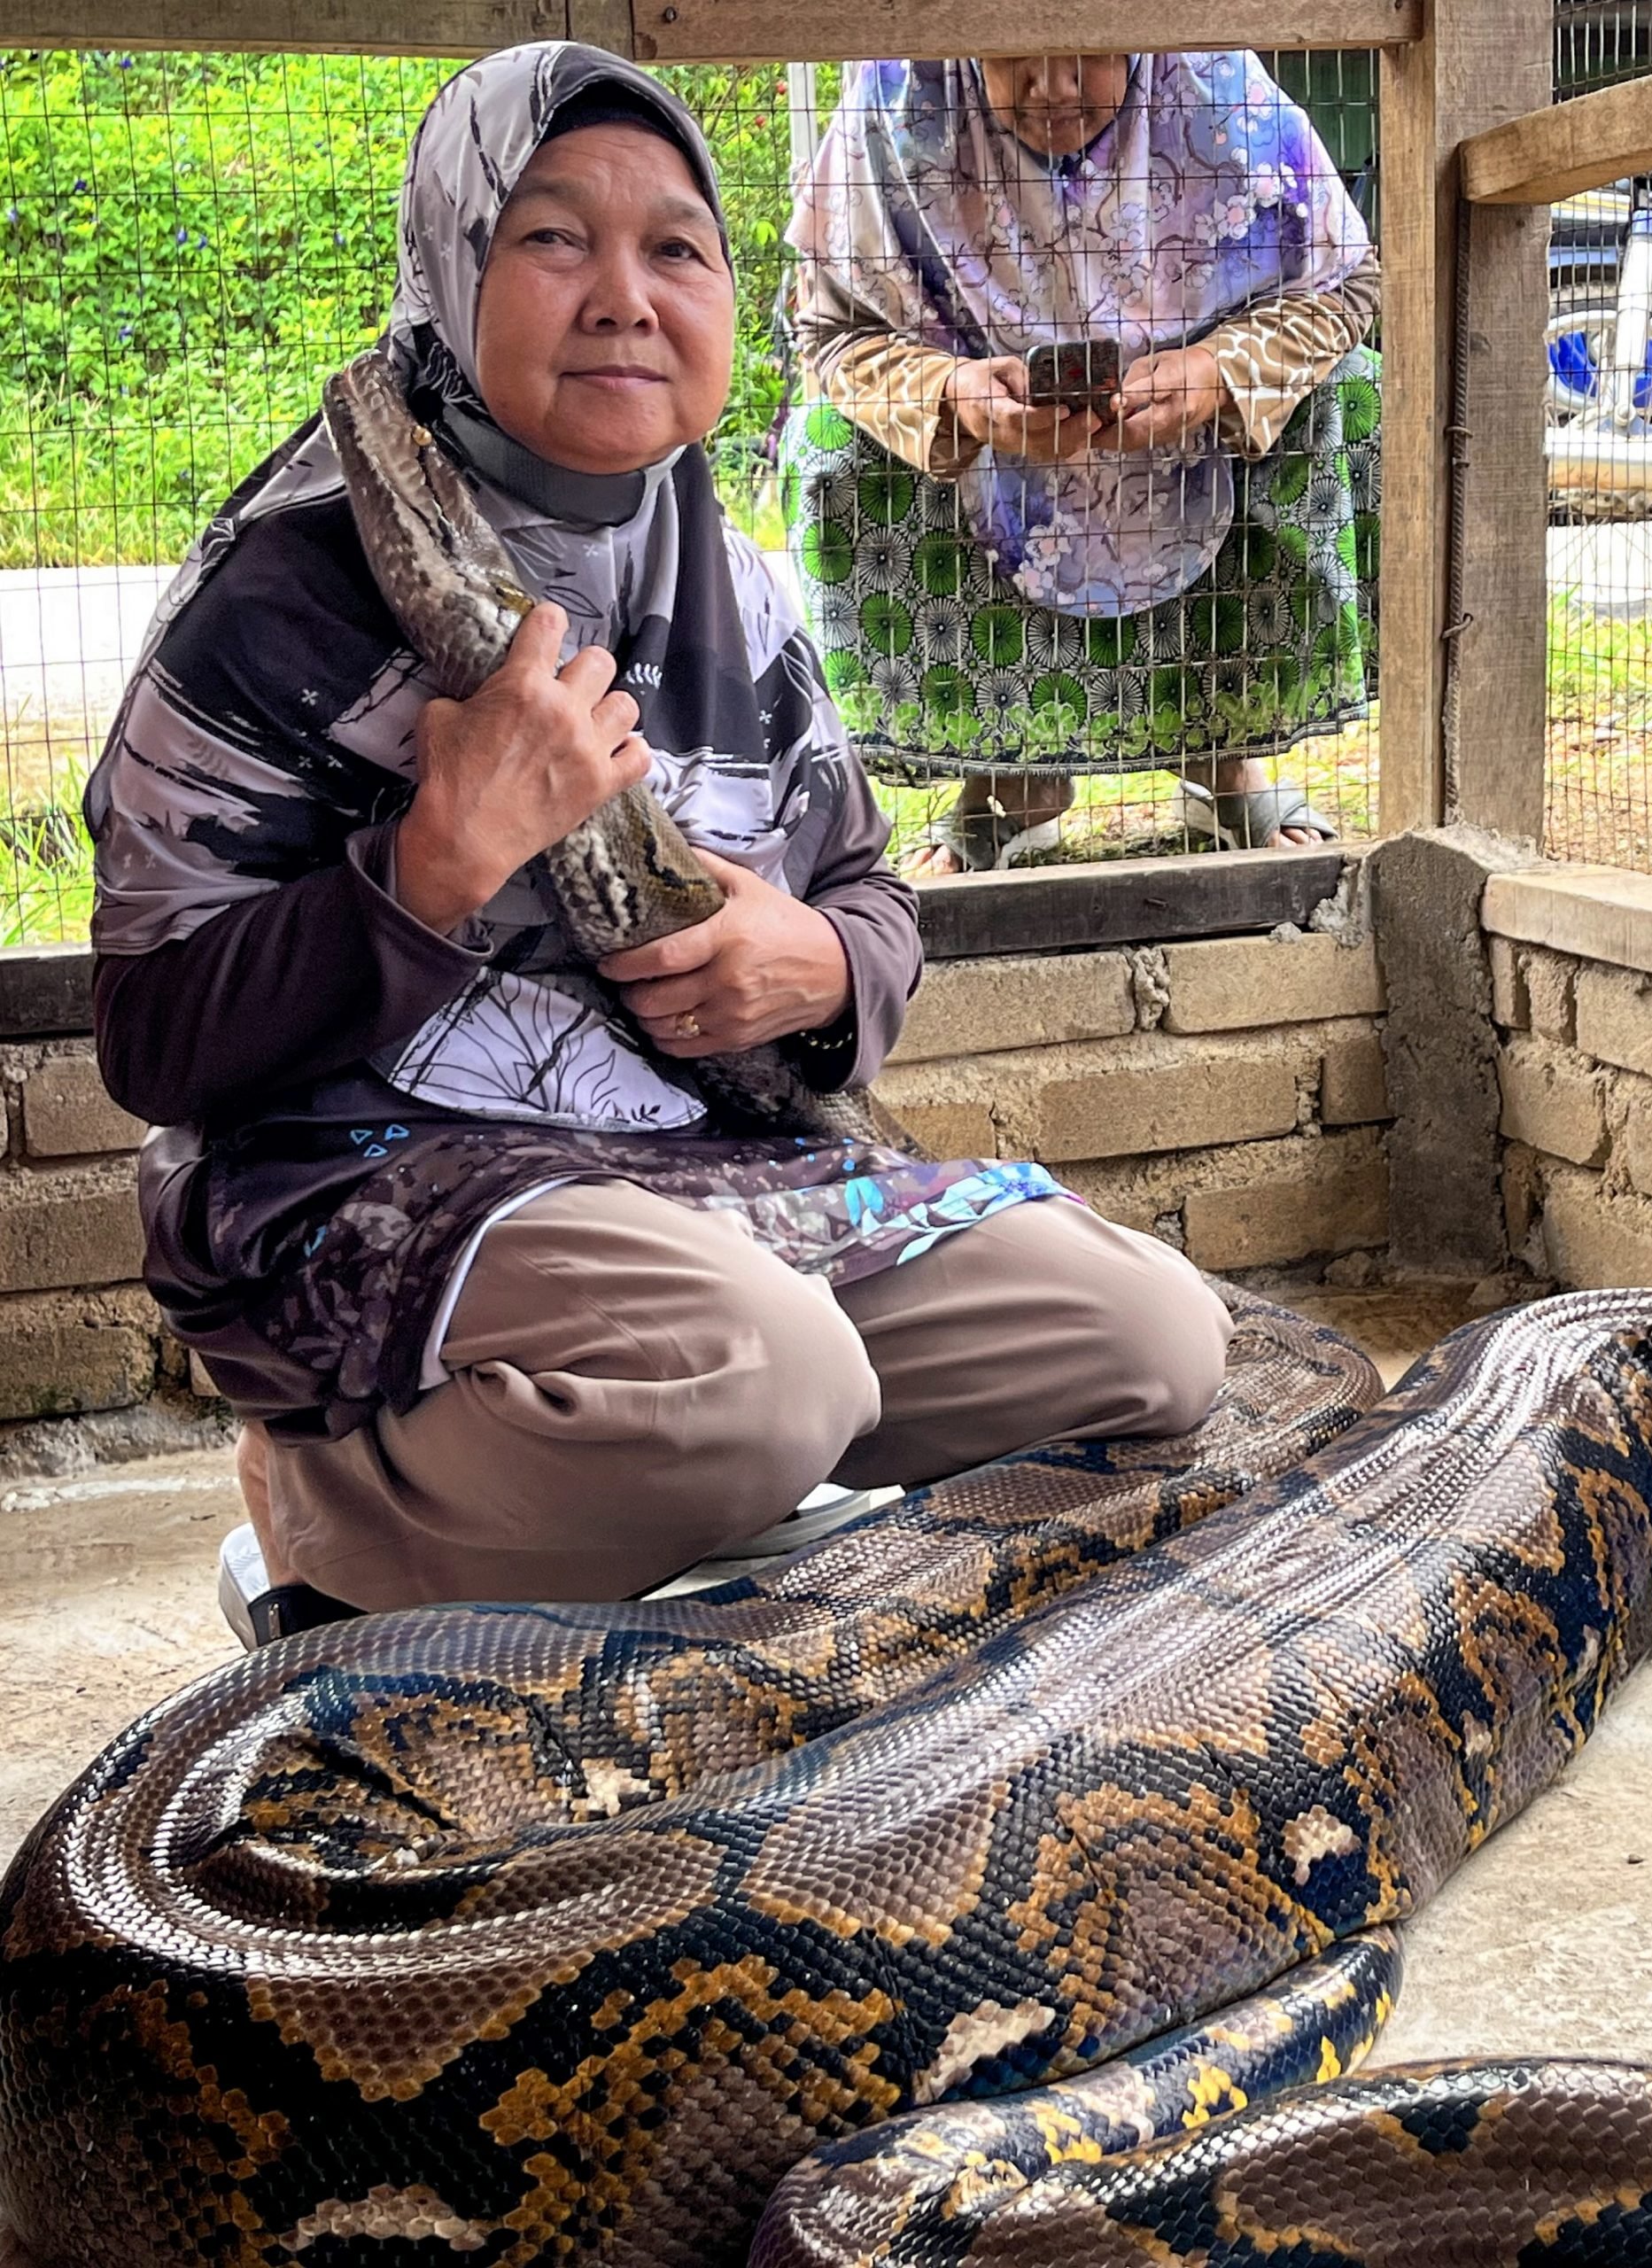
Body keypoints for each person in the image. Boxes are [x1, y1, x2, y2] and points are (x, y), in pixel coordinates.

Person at [85, 42, 1232, 1642]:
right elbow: (153, 1039)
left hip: (703, 1164)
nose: (624, 295)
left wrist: (815, 962)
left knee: (1149, 1340)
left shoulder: (736, 585)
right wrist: (429, 866)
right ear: (445, 265)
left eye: (675, 248)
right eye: (551, 237)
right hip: (373, 1169)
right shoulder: (278, 598)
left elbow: (866, 888)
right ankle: (333, 1516)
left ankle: (643, 1486)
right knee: (770, 1385)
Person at [784, 51, 1383, 874]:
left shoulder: (1216, 85)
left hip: (1196, 446)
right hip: (984, 466)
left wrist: (1218, 373)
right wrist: (952, 394)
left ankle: (1223, 755)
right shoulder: (895, 97)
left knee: (1350, 392)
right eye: (1016, 52)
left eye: (1090, 51)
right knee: (831, 441)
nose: (1057, 87)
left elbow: (1346, 286)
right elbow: (827, 330)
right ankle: (1007, 778)